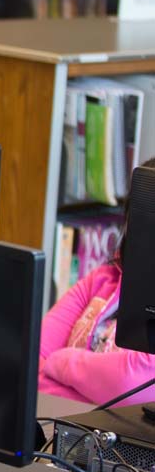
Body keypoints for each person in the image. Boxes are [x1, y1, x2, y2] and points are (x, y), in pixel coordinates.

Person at [40, 159, 155, 406]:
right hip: (65, 436)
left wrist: (61, 363)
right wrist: (99, 400)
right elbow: (31, 363)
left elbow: (136, 383)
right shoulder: (104, 278)